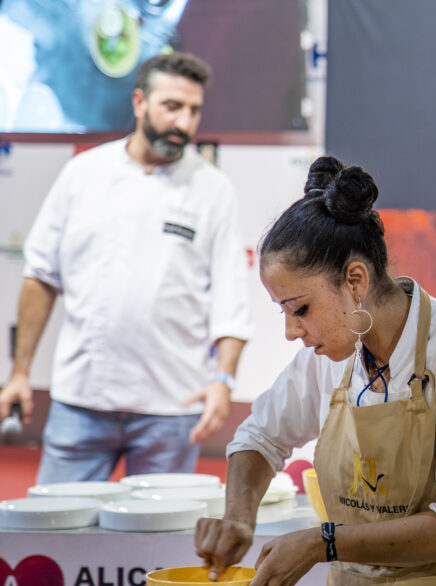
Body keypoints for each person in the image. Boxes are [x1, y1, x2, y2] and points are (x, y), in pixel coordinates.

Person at [194, 156, 436, 586]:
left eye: (300, 309)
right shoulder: (330, 358)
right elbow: (260, 435)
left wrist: (325, 543)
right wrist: (238, 517)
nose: (292, 332)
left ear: (355, 281)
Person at [0, 52, 251, 482]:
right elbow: (41, 277)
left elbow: (231, 297)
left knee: (157, 547)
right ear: (139, 102)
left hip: (171, 410)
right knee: (59, 537)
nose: (184, 124)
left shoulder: (214, 190)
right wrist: (20, 373)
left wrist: (224, 381)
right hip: (81, 400)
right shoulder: (83, 174)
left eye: (193, 111)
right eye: (172, 106)